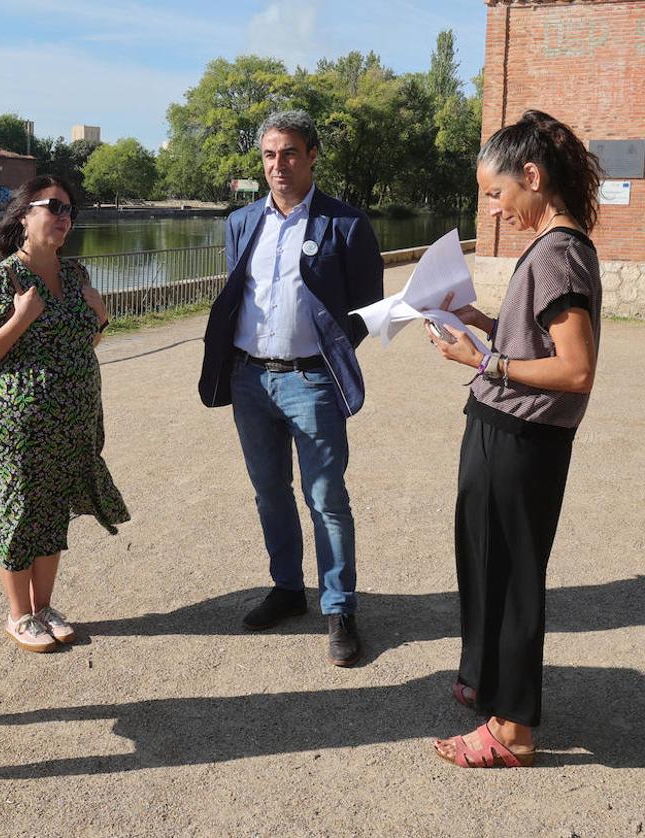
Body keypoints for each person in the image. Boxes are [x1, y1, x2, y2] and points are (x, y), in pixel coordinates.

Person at [427, 110, 603, 768]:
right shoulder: (559, 246)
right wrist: (481, 322)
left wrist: (479, 360)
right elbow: (538, 338)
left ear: (532, 176)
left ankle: (514, 731)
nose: (494, 209)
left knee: (513, 580)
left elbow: (575, 368)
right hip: (509, 432)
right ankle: (494, 692)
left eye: (496, 194)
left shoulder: (558, 254)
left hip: (521, 439)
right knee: (492, 568)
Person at [198, 110, 384, 667]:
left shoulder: (345, 224)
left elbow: (367, 308)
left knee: (326, 498)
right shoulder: (241, 222)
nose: (279, 165)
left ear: (312, 156)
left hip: (312, 380)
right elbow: (239, 292)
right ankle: (286, 589)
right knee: (269, 490)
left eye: (290, 153)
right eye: (269, 155)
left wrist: (327, 349)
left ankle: (340, 607)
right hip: (251, 377)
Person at [0, 175, 130, 653]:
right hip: (19, 422)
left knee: (52, 511)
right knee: (19, 512)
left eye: (69, 210)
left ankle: (45, 607)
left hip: (73, 419)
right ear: (23, 216)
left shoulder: (77, 275)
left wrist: (101, 317)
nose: (63, 216)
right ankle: (19, 615)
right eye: (52, 206)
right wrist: (19, 318)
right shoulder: (1, 280)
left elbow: (84, 340)